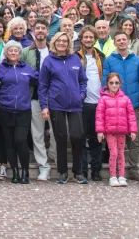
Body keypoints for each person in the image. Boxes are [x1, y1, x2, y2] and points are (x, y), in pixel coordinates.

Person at [39, 31, 87, 185]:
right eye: (59, 41)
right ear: (54, 43)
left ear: (68, 43)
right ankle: (62, 172)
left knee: (77, 136)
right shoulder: (48, 61)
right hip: (56, 104)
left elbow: (83, 80)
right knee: (60, 138)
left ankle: (78, 171)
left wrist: (82, 94)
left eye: (64, 41)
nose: (61, 44)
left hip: (75, 104)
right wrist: (44, 106)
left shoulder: (75, 59)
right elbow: (43, 86)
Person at [101, 31, 139, 182]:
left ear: (129, 42)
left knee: (134, 139)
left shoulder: (138, 61)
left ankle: (133, 169)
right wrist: (106, 100)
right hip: (114, 105)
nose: (121, 42)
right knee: (113, 141)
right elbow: (105, 82)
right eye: (118, 40)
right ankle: (115, 172)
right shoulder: (109, 60)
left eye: (124, 39)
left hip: (133, 104)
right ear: (114, 43)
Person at [0, 40, 37, 185]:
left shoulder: (26, 67)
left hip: (23, 110)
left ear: (20, 54)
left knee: (20, 140)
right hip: (5, 110)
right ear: (6, 53)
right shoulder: (1, 68)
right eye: (10, 51)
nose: (13, 53)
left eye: (16, 51)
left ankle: (25, 171)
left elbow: (39, 80)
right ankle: (15, 172)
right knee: (9, 143)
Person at [20, 20, 55, 180]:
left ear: (48, 32)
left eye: (43, 28)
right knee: (37, 133)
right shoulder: (26, 52)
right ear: (33, 32)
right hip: (34, 96)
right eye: (37, 28)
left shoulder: (54, 51)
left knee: (57, 133)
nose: (40, 31)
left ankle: (54, 156)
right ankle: (43, 166)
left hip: (54, 98)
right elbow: (23, 71)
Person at [96, 72, 139, 187]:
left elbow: (131, 116)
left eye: (116, 83)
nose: (114, 85)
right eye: (111, 83)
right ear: (107, 84)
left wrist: (133, 130)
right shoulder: (103, 99)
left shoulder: (125, 99)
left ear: (120, 84)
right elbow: (99, 116)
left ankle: (121, 176)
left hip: (122, 131)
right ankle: (113, 176)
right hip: (110, 132)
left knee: (121, 153)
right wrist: (100, 131)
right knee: (113, 153)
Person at [76, 26, 105, 182]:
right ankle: (82, 170)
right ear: (81, 39)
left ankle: (96, 170)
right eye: (85, 37)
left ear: (95, 39)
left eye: (91, 37)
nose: (88, 40)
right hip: (81, 103)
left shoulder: (101, 57)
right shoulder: (75, 57)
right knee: (81, 138)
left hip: (98, 103)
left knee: (96, 139)